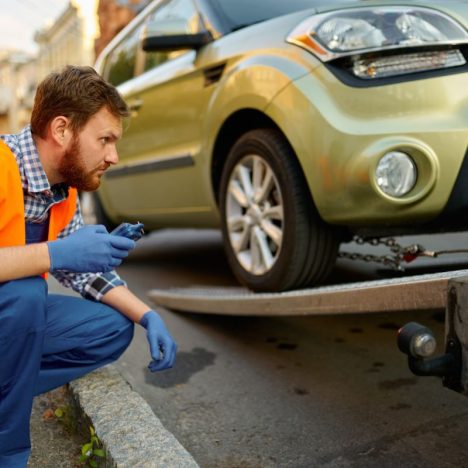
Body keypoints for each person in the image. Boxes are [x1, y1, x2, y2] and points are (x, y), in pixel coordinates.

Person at [0, 65, 177, 467]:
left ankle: (10, 385)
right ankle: (6, 449)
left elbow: (84, 271)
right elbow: (61, 258)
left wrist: (147, 316)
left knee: (111, 328)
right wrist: (56, 254)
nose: (114, 156)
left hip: (9, 321)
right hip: (12, 309)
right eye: (105, 140)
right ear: (62, 130)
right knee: (26, 293)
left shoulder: (63, 191)